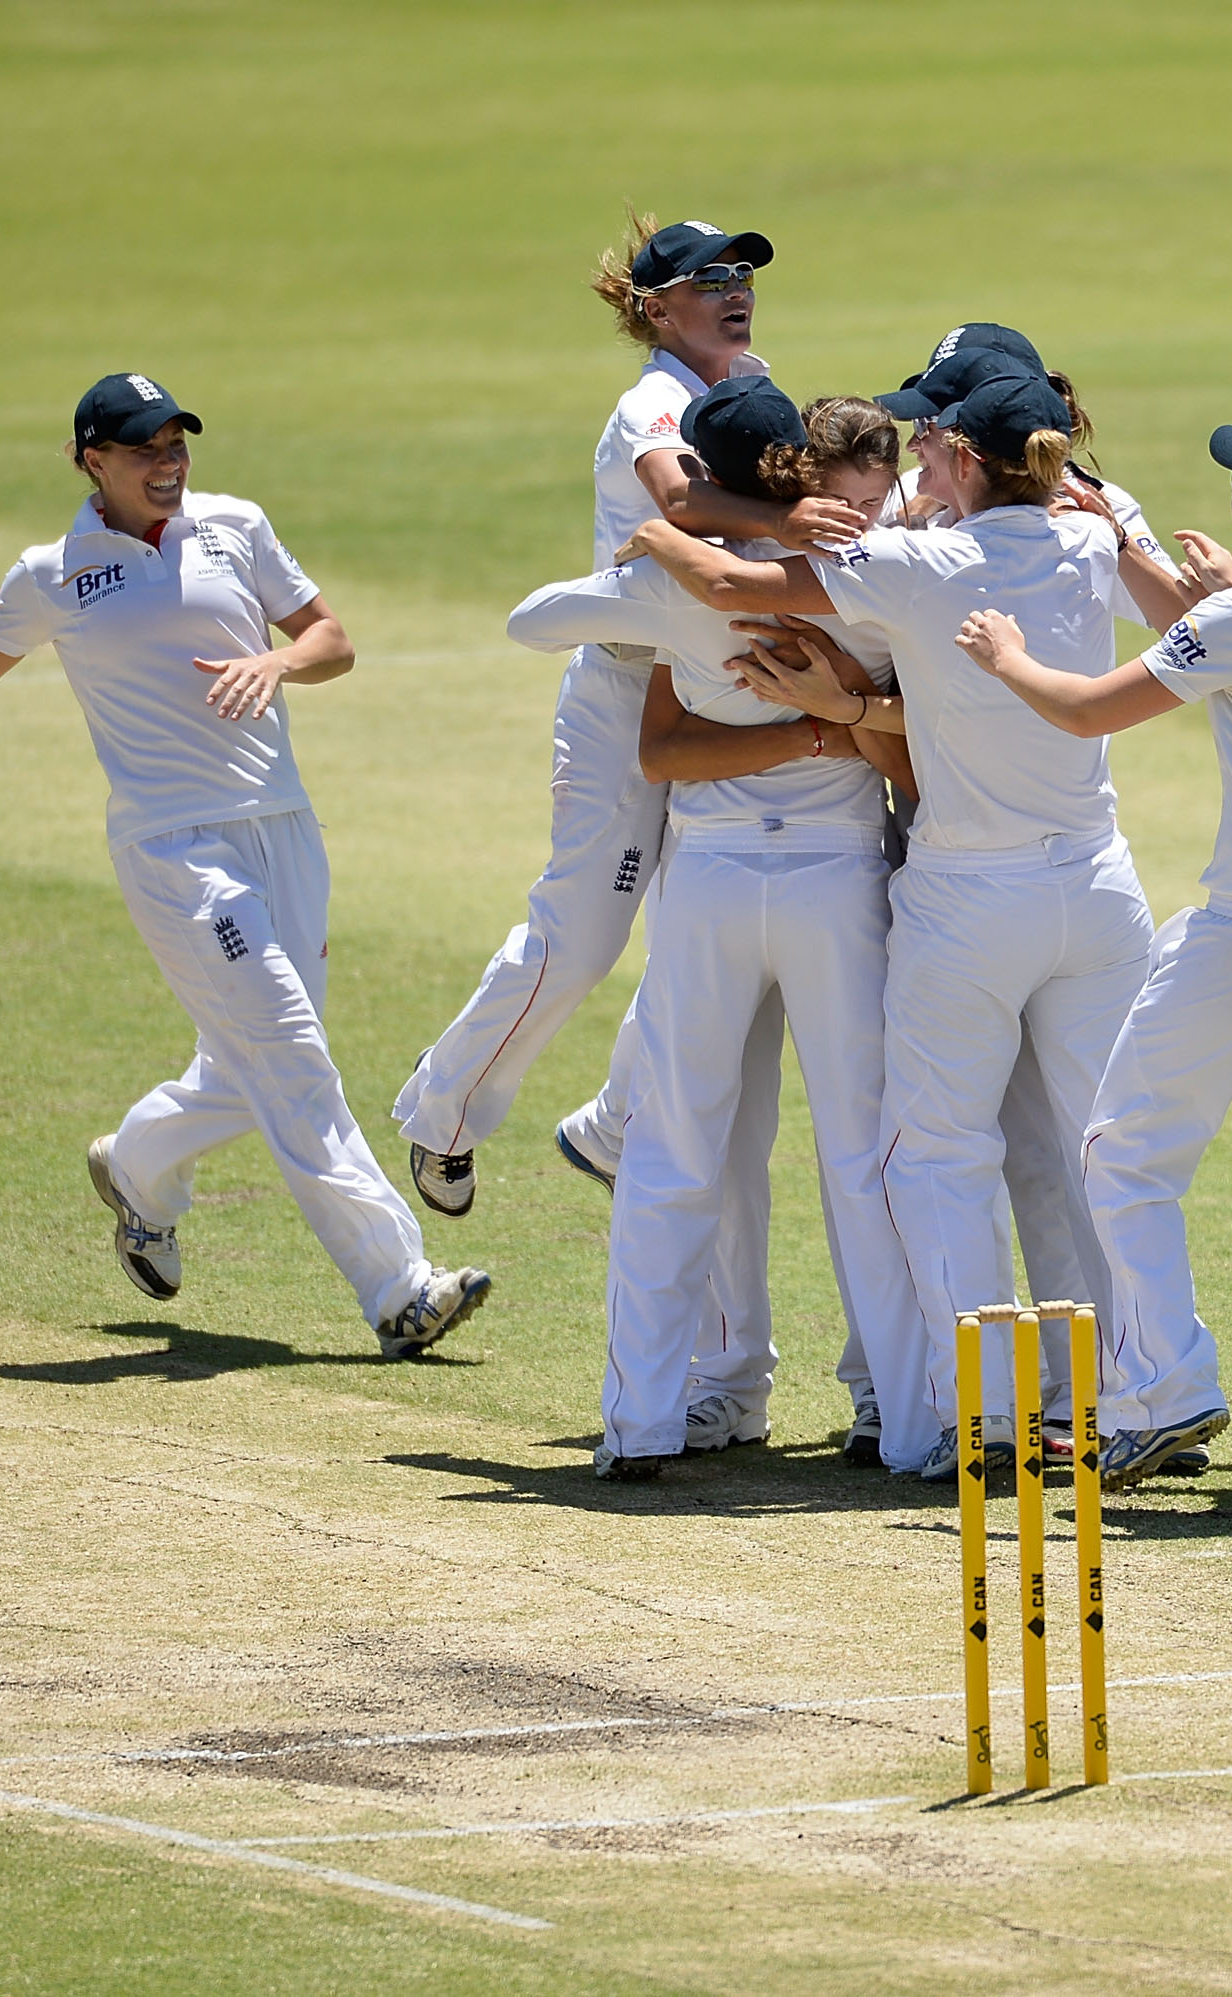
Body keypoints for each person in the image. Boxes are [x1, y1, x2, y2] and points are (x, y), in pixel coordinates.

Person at [0, 373, 491, 1357]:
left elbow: (332, 639)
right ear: (91, 460)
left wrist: (277, 664)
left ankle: (140, 1168)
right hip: (174, 847)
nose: (169, 462)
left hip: (283, 825)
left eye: (177, 442)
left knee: (256, 1066)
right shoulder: (53, 570)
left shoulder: (236, 525)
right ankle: (399, 1287)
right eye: (145, 448)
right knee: (288, 1050)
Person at [622, 371, 1152, 1482]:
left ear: (957, 453)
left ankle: (958, 1418)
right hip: (1079, 884)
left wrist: (661, 539)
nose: (905, 472)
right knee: (1091, 1150)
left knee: (923, 1160)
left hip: (951, 892)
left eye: (928, 441)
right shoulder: (1082, 540)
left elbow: (717, 577)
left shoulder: (915, 561)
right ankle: (1138, 1394)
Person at [392, 216, 858, 1293]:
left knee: (712, 927)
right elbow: (683, 500)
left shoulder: (754, 376)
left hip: (720, 675)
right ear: (657, 307)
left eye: (742, 274)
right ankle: (445, 1108)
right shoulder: (647, 401)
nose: (736, 291)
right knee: (586, 935)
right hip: (621, 682)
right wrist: (799, 528)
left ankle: (611, 1127)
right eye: (710, 279)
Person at [955, 418, 1232, 1495]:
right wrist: (1158, 567)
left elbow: (1086, 708)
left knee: (1120, 1155)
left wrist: (1005, 654)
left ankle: (1168, 1386)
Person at [501, 381, 929, 1479]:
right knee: (863, 1155)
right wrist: (822, 728)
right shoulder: (887, 577)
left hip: (713, 891)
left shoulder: (670, 577)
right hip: (843, 885)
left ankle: (639, 1421)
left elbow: (532, 622)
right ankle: (910, 1421)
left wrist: (648, 550)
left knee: (673, 1150)